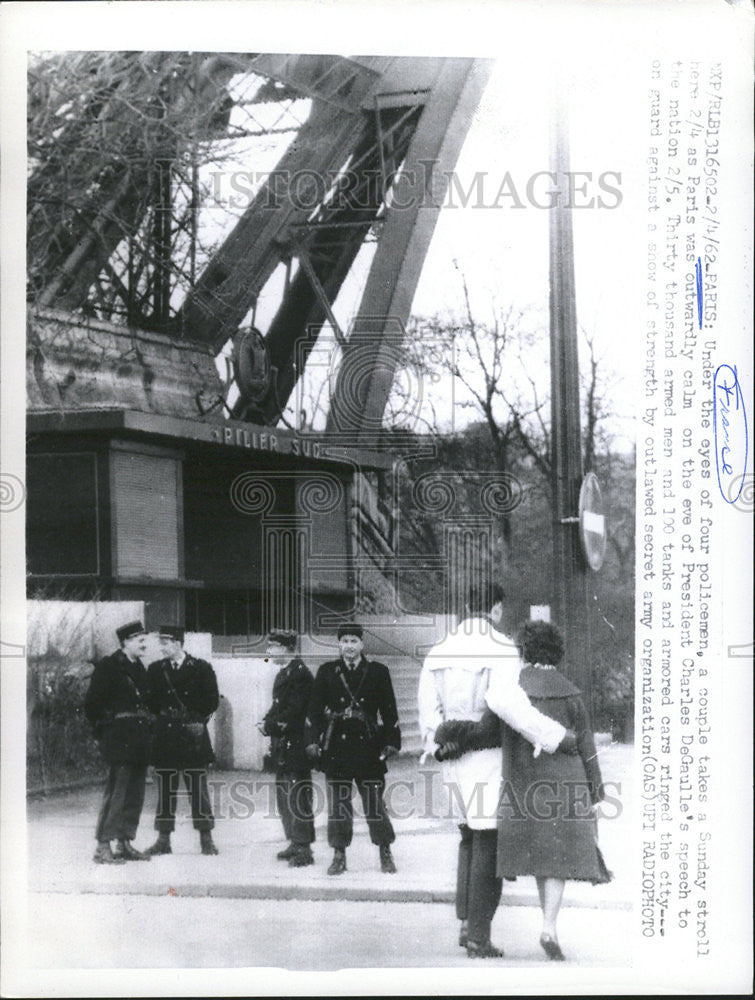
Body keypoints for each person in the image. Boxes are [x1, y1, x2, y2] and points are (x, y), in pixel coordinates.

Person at [436, 619, 610, 962]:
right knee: (556, 862)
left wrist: (446, 733)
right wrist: (596, 793)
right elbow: (587, 746)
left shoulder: (512, 686)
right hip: (565, 784)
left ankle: (474, 927)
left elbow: (486, 732)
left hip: (522, 786)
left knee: (523, 852)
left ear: (524, 651)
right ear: (557, 652)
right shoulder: (571, 692)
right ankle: (549, 927)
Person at [419, 585, 578, 958]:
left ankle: (465, 923)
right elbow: (509, 705)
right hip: (487, 757)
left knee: (467, 837)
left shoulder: (438, 650)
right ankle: (478, 935)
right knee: (487, 841)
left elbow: (428, 711)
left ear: (464, 607)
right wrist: (555, 736)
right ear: (494, 609)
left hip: (451, 758)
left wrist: (438, 742)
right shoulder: (504, 649)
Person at [304, 624, 400, 876]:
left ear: (362, 644)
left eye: (353, 641)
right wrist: (312, 741)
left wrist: (391, 741)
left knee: (374, 803)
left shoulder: (378, 672)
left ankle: (385, 852)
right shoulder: (327, 672)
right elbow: (313, 711)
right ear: (338, 644)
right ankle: (339, 855)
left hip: (368, 746)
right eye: (344, 641)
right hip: (337, 747)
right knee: (338, 806)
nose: (349, 645)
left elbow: (389, 713)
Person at [144, 626, 220, 856]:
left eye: (165, 643)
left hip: (192, 734)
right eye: (161, 643)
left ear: (178, 643)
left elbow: (212, 700)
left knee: (198, 789)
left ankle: (206, 838)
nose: (162, 647)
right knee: (166, 789)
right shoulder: (156, 670)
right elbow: (150, 701)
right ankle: (163, 839)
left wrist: (198, 720)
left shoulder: (200, 668)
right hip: (166, 734)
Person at [84, 620, 153, 864]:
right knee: (117, 791)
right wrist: (104, 732)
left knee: (135, 792)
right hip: (119, 738)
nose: (144, 644)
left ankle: (124, 842)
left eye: (144, 639)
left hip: (139, 738)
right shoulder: (109, 666)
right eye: (139, 640)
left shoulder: (139, 667)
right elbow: (92, 704)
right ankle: (103, 845)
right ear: (126, 642)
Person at [261, 629, 316, 867]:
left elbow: (295, 711)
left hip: (296, 744)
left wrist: (270, 725)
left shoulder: (300, 674)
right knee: (285, 794)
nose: (269, 651)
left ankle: (304, 848)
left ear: (286, 649)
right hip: (283, 744)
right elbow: (277, 707)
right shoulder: (284, 673)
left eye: (273, 646)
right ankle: (294, 841)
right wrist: (266, 722)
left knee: (298, 795)